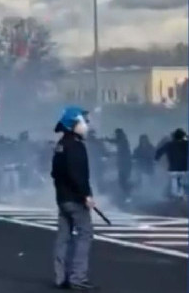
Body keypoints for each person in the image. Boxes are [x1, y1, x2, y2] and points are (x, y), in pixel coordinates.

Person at [51, 106, 96, 291]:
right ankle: (78, 277)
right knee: (85, 234)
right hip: (76, 199)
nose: (87, 125)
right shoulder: (76, 146)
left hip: (62, 199)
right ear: (73, 124)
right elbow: (78, 174)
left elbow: (55, 173)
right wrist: (86, 195)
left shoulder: (60, 145)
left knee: (63, 237)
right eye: (83, 121)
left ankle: (60, 277)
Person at [155, 129, 189, 199]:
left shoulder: (169, 144)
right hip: (184, 168)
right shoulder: (185, 144)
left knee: (175, 183)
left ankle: (176, 196)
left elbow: (159, 152)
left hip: (174, 168)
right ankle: (180, 196)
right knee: (182, 182)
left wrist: (156, 159)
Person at [107, 128, 133, 203]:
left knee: (123, 181)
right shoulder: (122, 140)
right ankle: (127, 195)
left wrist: (112, 153)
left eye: (116, 134)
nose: (115, 135)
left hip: (125, 164)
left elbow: (117, 144)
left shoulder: (123, 141)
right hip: (123, 164)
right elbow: (115, 142)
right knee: (122, 181)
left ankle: (128, 195)